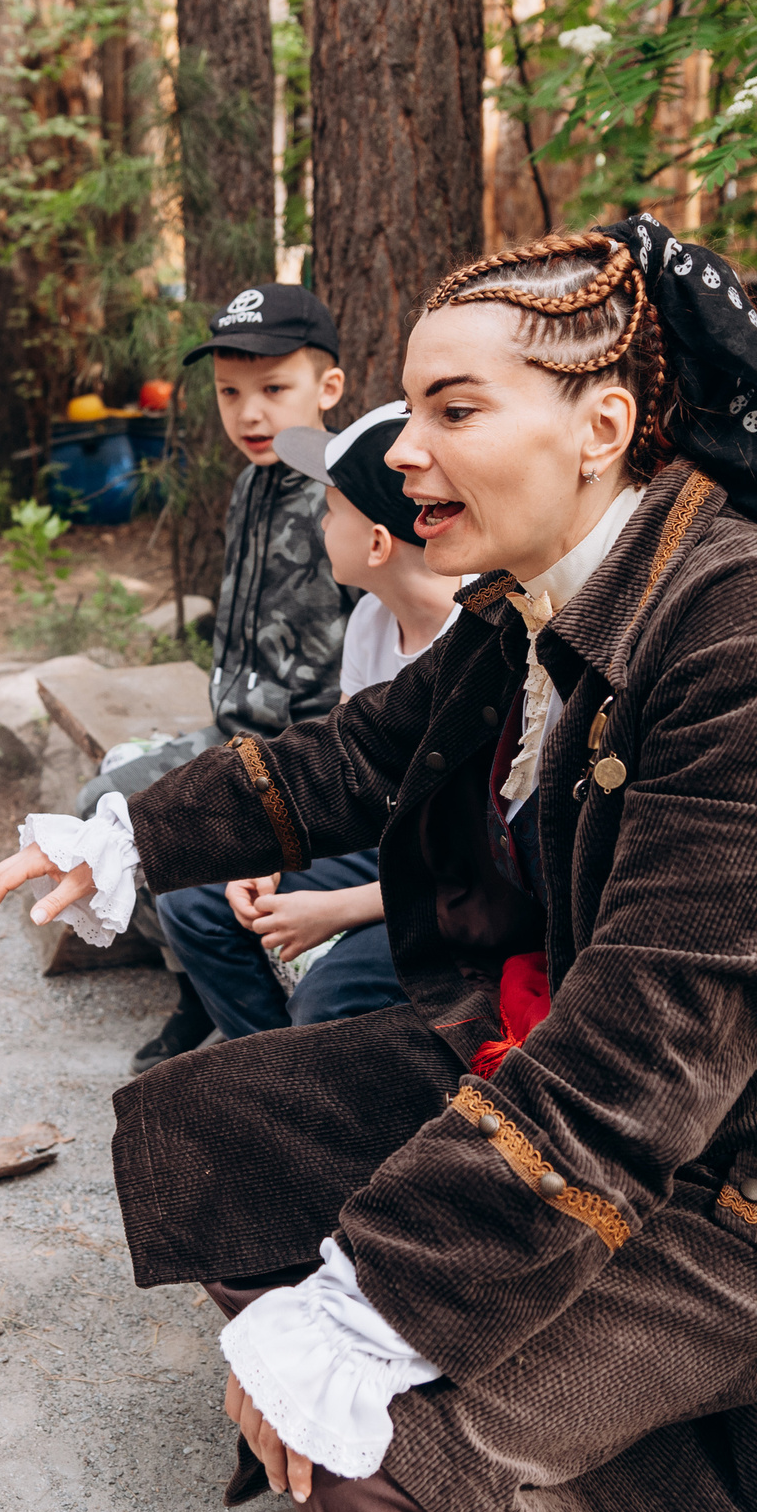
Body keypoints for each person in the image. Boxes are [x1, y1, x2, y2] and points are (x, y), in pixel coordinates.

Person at [0, 221, 757, 1512]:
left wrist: (369, 1305)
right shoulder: (538, 596)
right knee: (208, 1129)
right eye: (410, 403)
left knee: (385, 1451)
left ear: (601, 428)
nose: (404, 450)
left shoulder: (748, 639)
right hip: (578, 1070)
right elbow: (352, 757)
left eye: (455, 408)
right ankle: (359, 1416)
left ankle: (515, 1460)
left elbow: (639, 1063)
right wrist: (124, 839)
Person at [81, 283, 359, 1074]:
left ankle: (240, 1024)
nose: (250, 414)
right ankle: (195, 989)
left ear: (327, 388)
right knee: (100, 809)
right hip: (229, 729)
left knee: (153, 833)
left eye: (275, 390)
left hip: (298, 751)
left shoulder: (349, 493)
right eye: (231, 394)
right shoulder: (248, 488)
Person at [156, 400, 462, 1041]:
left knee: (330, 994)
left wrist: (334, 909)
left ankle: (306, 1069)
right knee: (194, 896)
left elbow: (470, 862)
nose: (320, 524)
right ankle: (262, 1060)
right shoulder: (371, 621)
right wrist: (270, 849)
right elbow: (352, 777)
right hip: (383, 843)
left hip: (449, 873)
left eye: (329, 511)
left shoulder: (474, 645)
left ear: (377, 542)